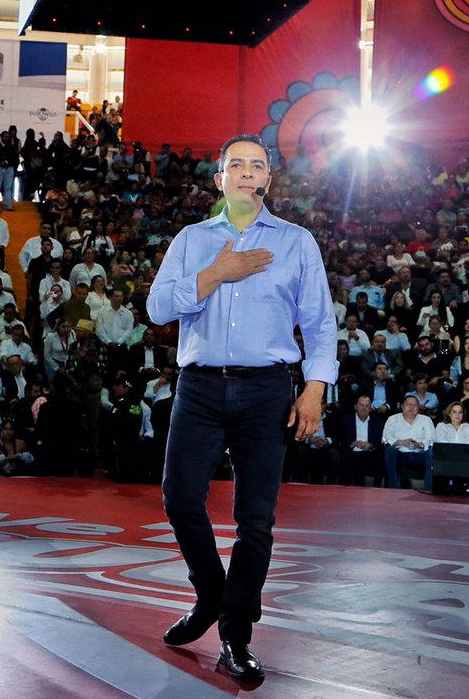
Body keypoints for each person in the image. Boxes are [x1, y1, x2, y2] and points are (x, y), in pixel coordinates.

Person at [147, 134, 336, 680]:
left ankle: (235, 631)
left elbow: (319, 324)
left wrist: (315, 388)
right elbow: (158, 306)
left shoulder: (297, 242)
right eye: (237, 165)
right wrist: (213, 276)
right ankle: (210, 595)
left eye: (258, 166)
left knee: (255, 519)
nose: (247, 173)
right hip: (200, 386)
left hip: (267, 390)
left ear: (268, 181)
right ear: (220, 180)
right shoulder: (191, 239)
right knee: (180, 500)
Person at [382, 395, 437, 489]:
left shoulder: (426, 420)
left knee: (431, 454)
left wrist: (420, 444)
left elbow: (431, 438)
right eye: (408, 405)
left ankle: (428, 490)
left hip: (420, 454)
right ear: (402, 406)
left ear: (418, 407)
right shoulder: (392, 419)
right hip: (400, 454)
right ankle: (392, 489)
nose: (411, 408)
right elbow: (386, 438)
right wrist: (402, 442)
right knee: (390, 450)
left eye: (414, 405)